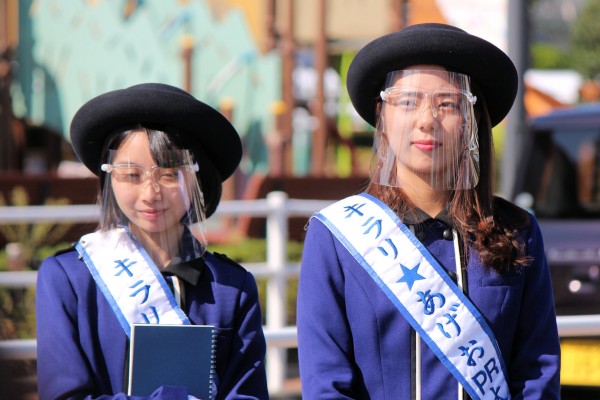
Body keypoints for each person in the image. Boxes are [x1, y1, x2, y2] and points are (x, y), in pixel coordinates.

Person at [297, 23, 561, 399]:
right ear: (382, 115)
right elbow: (326, 384)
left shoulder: (517, 230)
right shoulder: (337, 238)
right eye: (407, 101)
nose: (426, 120)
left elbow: (537, 372)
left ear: (471, 120)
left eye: (447, 104)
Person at [36, 83, 269, 400]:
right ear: (108, 177)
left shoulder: (232, 287)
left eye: (170, 174)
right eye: (131, 175)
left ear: (197, 178)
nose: (150, 194)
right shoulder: (67, 279)